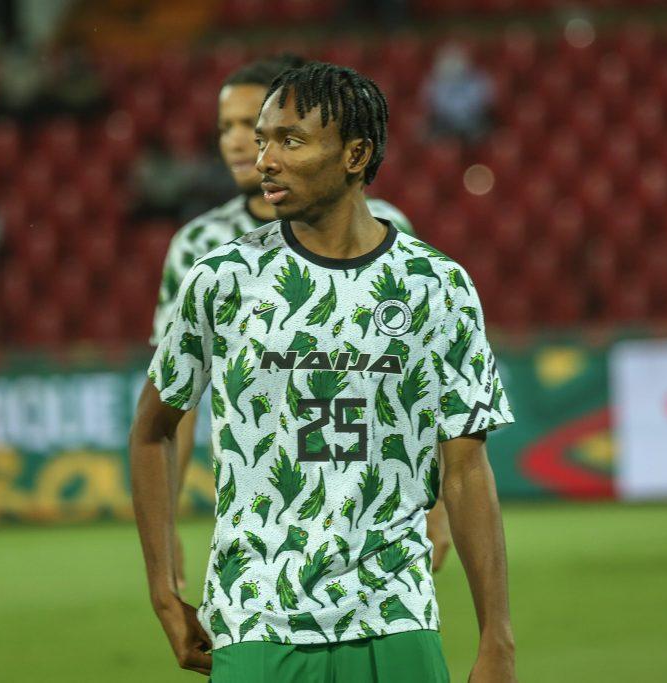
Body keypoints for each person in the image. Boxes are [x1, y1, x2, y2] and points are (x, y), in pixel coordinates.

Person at [131, 61, 517, 681]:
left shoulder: (434, 286)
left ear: (356, 154)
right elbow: (152, 431)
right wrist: (161, 587)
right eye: (261, 141)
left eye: (290, 141)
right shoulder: (219, 278)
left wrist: (497, 638)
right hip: (255, 615)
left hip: (396, 613)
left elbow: (468, 469)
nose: (263, 161)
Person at [146, 54, 452, 592]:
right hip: (265, 524)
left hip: (376, 518)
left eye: (257, 127)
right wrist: (166, 525)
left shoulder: (389, 230)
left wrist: (442, 501)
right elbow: (176, 398)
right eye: (229, 128)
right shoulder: (201, 248)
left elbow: (422, 385)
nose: (242, 144)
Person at [422, 43, 495, 143]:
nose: (453, 64)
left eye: (456, 61)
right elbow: (431, 106)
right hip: (444, 124)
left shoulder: (480, 79)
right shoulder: (432, 81)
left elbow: (485, 103)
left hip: (474, 122)